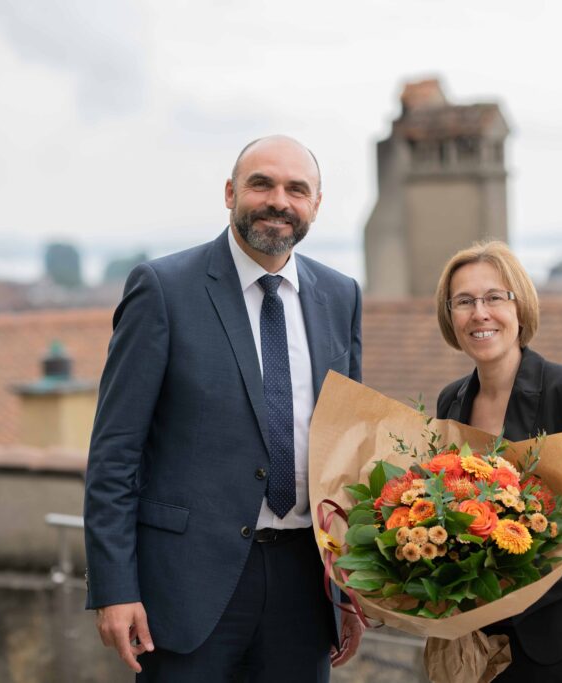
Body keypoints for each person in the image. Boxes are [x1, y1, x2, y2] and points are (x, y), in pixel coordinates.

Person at [84, 135, 365, 682]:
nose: (278, 200)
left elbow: (347, 451)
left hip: (306, 586)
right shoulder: (164, 289)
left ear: (316, 204)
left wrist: (351, 584)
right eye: (261, 183)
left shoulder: (341, 295)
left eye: (296, 189)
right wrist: (115, 588)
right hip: (188, 587)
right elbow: (116, 453)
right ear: (231, 192)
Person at [434, 241, 562, 682]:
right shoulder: (452, 401)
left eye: (493, 298)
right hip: (479, 645)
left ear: (519, 307)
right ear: (451, 316)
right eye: (464, 301)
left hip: (560, 643)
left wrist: (511, 594)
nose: (478, 313)